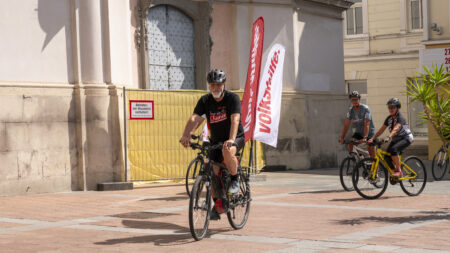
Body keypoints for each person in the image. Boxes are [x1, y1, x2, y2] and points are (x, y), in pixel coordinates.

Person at [179, 69, 245, 220]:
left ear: (223, 85)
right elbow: (195, 119)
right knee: (212, 172)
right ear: (209, 86)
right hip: (215, 141)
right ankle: (218, 203)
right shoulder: (205, 101)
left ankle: (235, 179)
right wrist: (186, 134)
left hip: (235, 137)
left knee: (227, 151)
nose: (215, 88)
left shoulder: (232, 98)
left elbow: (235, 120)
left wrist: (231, 139)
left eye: (218, 85)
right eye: (212, 85)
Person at [368, 98, 414, 177]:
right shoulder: (389, 118)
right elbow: (381, 130)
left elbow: (396, 129)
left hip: (406, 138)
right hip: (396, 139)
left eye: (393, 107)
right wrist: (372, 138)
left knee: (394, 150)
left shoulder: (400, 118)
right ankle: (394, 173)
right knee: (386, 157)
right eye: (389, 107)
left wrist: (388, 137)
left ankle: (399, 171)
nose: (391, 109)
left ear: (397, 108)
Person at [339, 91, 376, 158]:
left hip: (369, 132)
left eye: (356, 99)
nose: (354, 101)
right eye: (353, 100)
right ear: (350, 100)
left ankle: (374, 166)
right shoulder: (351, 110)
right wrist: (342, 137)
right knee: (350, 144)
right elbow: (346, 125)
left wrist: (365, 137)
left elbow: (367, 124)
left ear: (359, 99)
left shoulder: (365, 109)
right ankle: (359, 159)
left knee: (371, 152)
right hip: (359, 132)